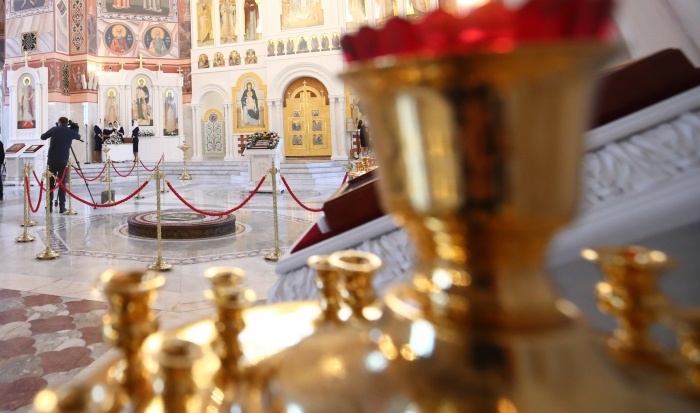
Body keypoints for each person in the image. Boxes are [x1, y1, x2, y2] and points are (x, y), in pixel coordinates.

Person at [40, 117, 81, 213]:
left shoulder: (54, 129)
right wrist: (75, 128)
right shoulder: (70, 131)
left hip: (52, 159)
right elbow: (78, 137)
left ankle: (49, 206)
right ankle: (62, 207)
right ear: (67, 123)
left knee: (50, 183)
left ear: (59, 122)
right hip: (63, 160)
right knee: (62, 183)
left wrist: (56, 129)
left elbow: (43, 137)